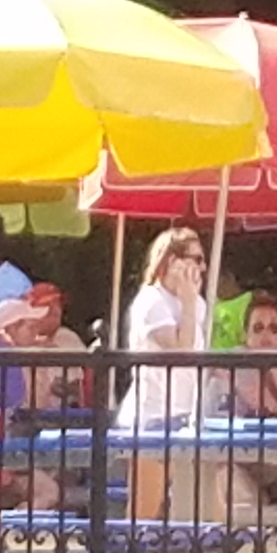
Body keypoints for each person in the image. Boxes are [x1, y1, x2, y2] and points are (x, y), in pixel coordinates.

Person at [117, 224, 217, 523]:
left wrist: (190, 302)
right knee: (144, 511)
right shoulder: (152, 301)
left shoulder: (196, 304)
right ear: (172, 261)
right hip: (153, 418)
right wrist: (187, 302)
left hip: (186, 416)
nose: (202, 267)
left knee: (205, 506)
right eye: (196, 259)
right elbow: (181, 352)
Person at [222, 293, 277, 518]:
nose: (266, 335)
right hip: (233, 454)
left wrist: (273, 367)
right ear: (245, 335)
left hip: (272, 456)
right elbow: (263, 402)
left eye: (274, 329)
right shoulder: (236, 360)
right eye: (258, 328)